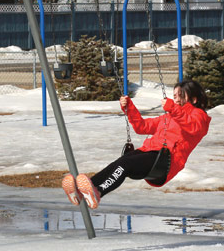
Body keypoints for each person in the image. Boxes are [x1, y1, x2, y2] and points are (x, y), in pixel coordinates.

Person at [62, 79, 210, 210]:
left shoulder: (199, 116)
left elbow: (192, 127)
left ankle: (98, 192)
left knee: (125, 164)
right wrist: (129, 108)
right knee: (119, 163)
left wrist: (173, 108)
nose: (176, 98)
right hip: (150, 153)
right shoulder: (168, 116)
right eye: (175, 95)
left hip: (165, 161)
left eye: (180, 95)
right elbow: (142, 127)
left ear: (194, 99)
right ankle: (84, 190)